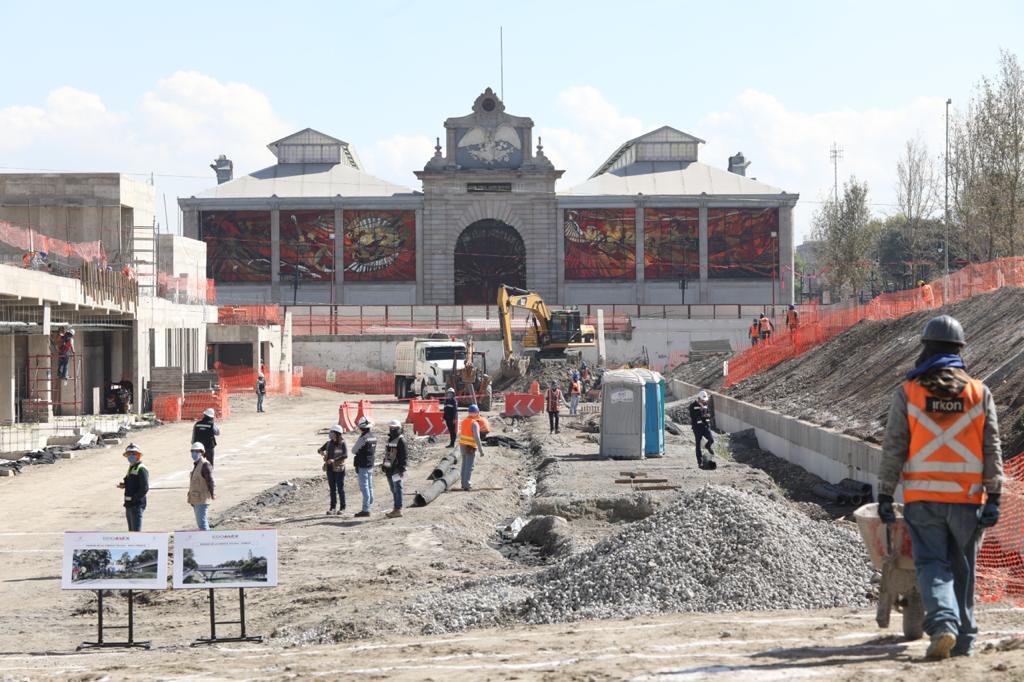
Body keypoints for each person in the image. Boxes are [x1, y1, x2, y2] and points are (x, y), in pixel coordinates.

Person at [877, 314, 1003, 660]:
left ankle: (943, 623)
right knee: (963, 569)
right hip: (966, 501)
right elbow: (991, 448)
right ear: (960, 350)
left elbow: (894, 447)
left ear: (926, 349)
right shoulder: (980, 393)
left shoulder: (910, 393)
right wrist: (994, 496)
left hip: (923, 500)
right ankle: (963, 641)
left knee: (932, 565)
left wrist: (885, 493)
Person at [117, 443, 148, 531]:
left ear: (138, 455)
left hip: (136, 505)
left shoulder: (141, 468)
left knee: (136, 533)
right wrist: (124, 485)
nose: (130, 456)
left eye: (133, 454)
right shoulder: (132, 468)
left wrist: (134, 499)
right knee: (131, 532)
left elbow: (144, 488)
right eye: (129, 454)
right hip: (129, 505)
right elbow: (133, 483)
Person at [381, 419, 409, 518]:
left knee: (398, 488)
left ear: (398, 428)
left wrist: (402, 468)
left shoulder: (401, 440)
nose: (392, 430)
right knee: (393, 489)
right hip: (390, 468)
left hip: (397, 468)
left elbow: (404, 456)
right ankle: (396, 508)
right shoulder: (390, 440)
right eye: (391, 428)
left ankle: (398, 509)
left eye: (394, 428)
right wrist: (384, 465)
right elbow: (387, 454)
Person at [319, 424, 348, 515]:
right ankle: (333, 508)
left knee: (340, 489)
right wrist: (321, 452)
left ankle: (342, 508)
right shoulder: (328, 443)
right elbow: (320, 449)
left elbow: (345, 455)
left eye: (332, 432)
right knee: (332, 489)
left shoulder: (342, 443)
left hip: (339, 469)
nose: (330, 434)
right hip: (330, 469)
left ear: (337, 433)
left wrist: (334, 460)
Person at [351, 418, 377, 518]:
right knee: (369, 486)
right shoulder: (373, 437)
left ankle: (366, 509)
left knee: (364, 487)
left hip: (362, 465)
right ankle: (369, 505)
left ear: (362, 428)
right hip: (370, 464)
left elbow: (354, 450)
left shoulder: (363, 438)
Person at [187, 442, 216, 530]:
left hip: (202, 499)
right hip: (196, 498)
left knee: (202, 524)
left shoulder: (205, 465)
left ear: (202, 452)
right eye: (192, 451)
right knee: (201, 523)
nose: (194, 453)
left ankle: (207, 540)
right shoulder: (197, 465)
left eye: (196, 451)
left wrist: (212, 493)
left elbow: (210, 480)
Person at [459, 404, 486, 491]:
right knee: (469, 466)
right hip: (470, 447)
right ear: (476, 413)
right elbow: (477, 437)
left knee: (464, 465)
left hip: (462, 445)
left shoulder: (464, 421)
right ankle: (467, 484)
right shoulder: (474, 424)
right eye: (477, 412)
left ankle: (463, 483)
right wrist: (481, 451)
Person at [688, 391, 715, 469]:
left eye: (705, 400)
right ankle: (700, 462)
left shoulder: (706, 405)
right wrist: (701, 410)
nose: (704, 401)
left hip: (705, 426)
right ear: (699, 398)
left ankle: (708, 446)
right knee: (698, 445)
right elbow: (695, 417)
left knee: (711, 439)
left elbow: (708, 414)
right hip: (697, 428)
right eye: (703, 400)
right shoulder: (692, 406)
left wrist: (706, 414)